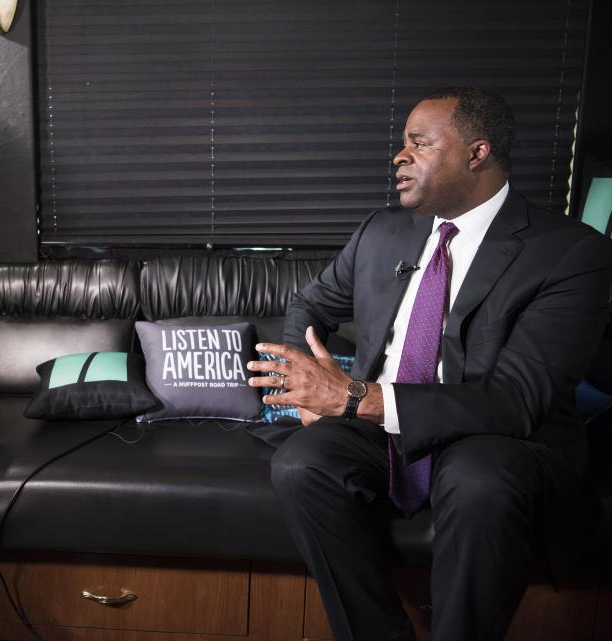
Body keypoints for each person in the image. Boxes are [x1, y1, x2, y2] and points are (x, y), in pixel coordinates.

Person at [247, 87, 612, 641]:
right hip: (381, 426)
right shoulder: (382, 231)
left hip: (496, 434)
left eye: (418, 143)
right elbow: (310, 307)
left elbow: (517, 399)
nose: (399, 156)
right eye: (401, 144)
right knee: (302, 464)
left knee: (479, 478)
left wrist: (352, 397)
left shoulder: (570, 253)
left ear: (477, 152)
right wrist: (304, 395)